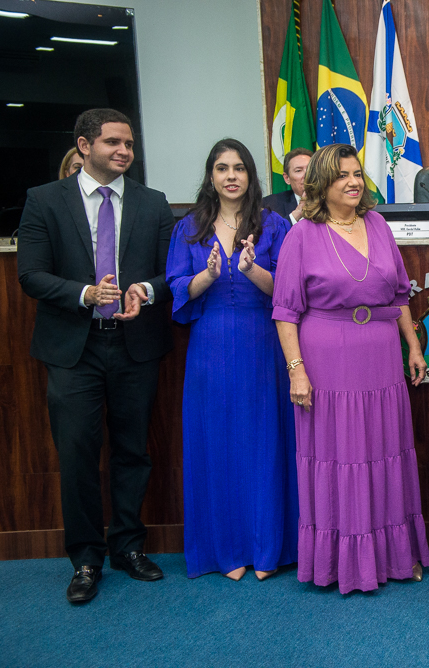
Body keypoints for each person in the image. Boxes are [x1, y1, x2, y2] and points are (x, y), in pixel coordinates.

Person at [17, 108, 174, 604]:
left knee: (133, 451)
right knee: (79, 455)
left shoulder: (153, 203)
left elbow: (173, 272)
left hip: (134, 345)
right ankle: (86, 558)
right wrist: (86, 293)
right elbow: (31, 274)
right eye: (112, 142)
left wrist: (143, 290)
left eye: (128, 143)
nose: (124, 151)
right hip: (74, 348)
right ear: (84, 146)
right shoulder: (44, 200)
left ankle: (128, 546)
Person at [272, 144, 429, 594]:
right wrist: (296, 370)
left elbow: (398, 296)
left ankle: (396, 555)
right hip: (327, 358)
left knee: (385, 452)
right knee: (341, 457)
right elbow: (285, 312)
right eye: (342, 175)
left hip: (381, 356)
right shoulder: (301, 234)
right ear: (322, 183)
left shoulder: (378, 224)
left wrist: (413, 347)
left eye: (357, 173)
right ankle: (342, 562)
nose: (353, 182)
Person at [165, 139, 298, 581]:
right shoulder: (188, 227)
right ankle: (228, 551)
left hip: (265, 344)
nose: (231, 176)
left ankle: (269, 548)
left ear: (251, 175)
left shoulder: (275, 225)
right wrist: (207, 274)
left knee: (265, 441)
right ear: (210, 176)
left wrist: (250, 270)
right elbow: (176, 288)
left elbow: (290, 289)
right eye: (222, 168)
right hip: (213, 346)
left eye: (239, 167)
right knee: (218, 443)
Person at [263, 147, 312, 223]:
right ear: (287, 178)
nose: (307, 175)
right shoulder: (270, 205)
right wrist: (296, 215)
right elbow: (272, 233)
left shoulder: (332, 201)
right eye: (298, 170)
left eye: (311, 169)